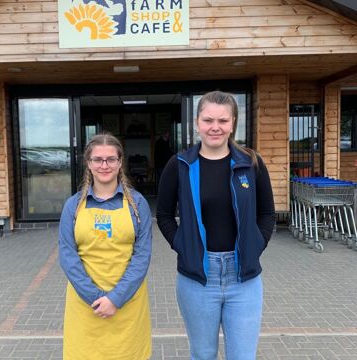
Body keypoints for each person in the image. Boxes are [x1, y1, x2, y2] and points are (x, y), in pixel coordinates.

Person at [156, 91, 276, 360]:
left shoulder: (252, 164)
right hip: (197, 279)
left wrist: (256, 245)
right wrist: (182, 246)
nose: (215, 127)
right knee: (203, 354)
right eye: (208, 119)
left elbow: (267, 213)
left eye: (223, 120)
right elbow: (163, 215)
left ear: (233, 123)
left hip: (243, 278)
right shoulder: (180, 165)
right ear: (197, 122)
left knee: (243, 356)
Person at [59, 133, 152, 360]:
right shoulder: (73, 206)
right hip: (86, 305)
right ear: (88, 164)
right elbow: (67, 256)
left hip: (128, 304)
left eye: (111, 159)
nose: (104, 165)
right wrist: (95, 297)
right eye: (98, 160)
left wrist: (116, 299)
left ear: (120, 163)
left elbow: (142, 257)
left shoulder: (138, 204)